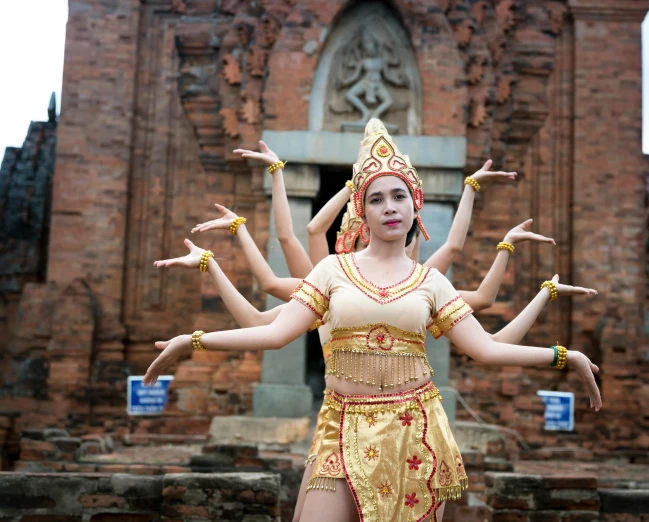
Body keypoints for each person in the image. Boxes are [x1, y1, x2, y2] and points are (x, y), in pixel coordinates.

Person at [145, 119, 602, 522]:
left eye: (399, 196)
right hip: (341, 429)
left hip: (414, 432)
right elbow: (273, 331)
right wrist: (194, 339)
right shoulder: (332, 271)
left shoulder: (431, 282)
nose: (389, 206)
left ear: (414, 207)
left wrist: (565, 355)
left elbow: (486, 347)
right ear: (362, 211)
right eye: (377, 198)